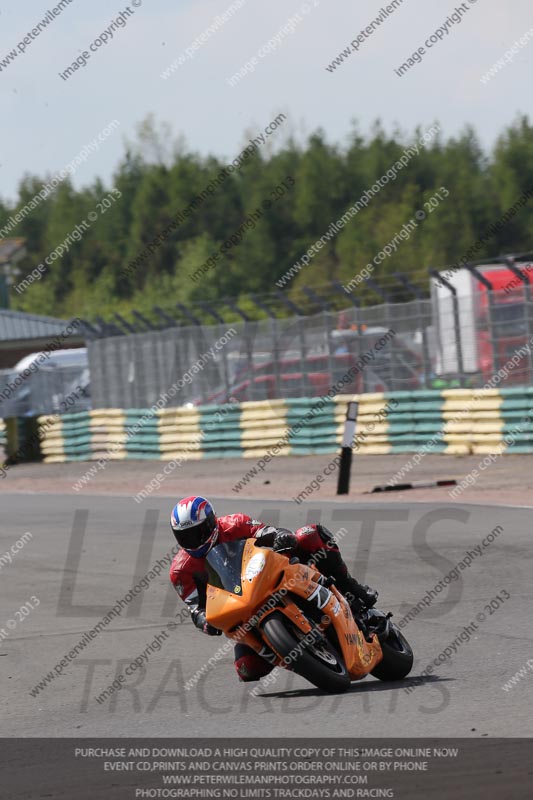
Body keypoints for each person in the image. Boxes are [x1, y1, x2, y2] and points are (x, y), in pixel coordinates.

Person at [169, 495, 378, 682]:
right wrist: (205, 622)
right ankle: (304, 658)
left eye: (199, 532)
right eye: (186, 536)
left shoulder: (235, 523)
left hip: (269, 576)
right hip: (241, 608)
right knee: (247, 669)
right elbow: (195, 607)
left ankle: (352, 589)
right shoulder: (181, 571)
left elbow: (266, 531)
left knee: (309, 534)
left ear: (212, 522)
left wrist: (280, 537)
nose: (194, 540)